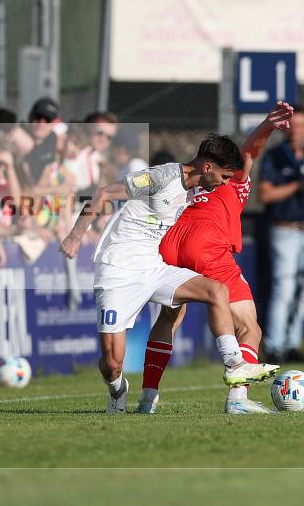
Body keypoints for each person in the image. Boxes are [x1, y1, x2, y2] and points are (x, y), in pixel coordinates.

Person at [59, 134, 279, 414]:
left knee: (216, 291)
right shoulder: (161, 177)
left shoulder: (197, 189)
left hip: (153, 267)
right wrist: (76, 236)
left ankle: (235, 365)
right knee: (113, 363)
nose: (225, 183)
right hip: (118, 269)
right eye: (224, 176)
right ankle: (117, 389)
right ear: (207, 168)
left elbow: (244, 159)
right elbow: (104, 193)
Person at [135, 102, 293, 415]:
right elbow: (249, 151)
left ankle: (147, 397)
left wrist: (266, 126)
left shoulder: (193, 181)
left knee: (169, 317)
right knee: (250, 328)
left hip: (172, 244)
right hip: (207, 246)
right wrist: (268, 126)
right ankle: (238, 399)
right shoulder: (233, 180)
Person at [259, 105, 304, 363]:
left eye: (301, 126)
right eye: (293, 125)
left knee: (303, 291)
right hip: (285, 230)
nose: (297, 131)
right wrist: (298, 185)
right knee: (284, 289)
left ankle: (293, 342)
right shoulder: (276, 157)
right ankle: (275, 345)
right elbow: (266, 195)